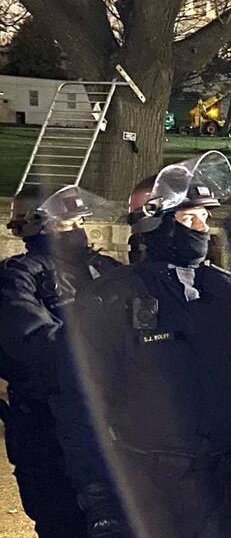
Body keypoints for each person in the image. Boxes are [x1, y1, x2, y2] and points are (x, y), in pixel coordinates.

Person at [57, 152, 231, 538]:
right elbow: (79, 409)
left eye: (205, 217)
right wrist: (100, 498)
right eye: (189, 217)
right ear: (153, 220)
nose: (202, 228)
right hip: (152, 493)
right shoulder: (109, 301)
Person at [0, 185, 121, 538]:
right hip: (47, 434)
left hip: (118, 429)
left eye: (79, 222)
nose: (78, 230)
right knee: (64, 524)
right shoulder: (16, 279)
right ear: (38, 225)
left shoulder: (104, 269)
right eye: (67, 223)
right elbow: (35, 347)